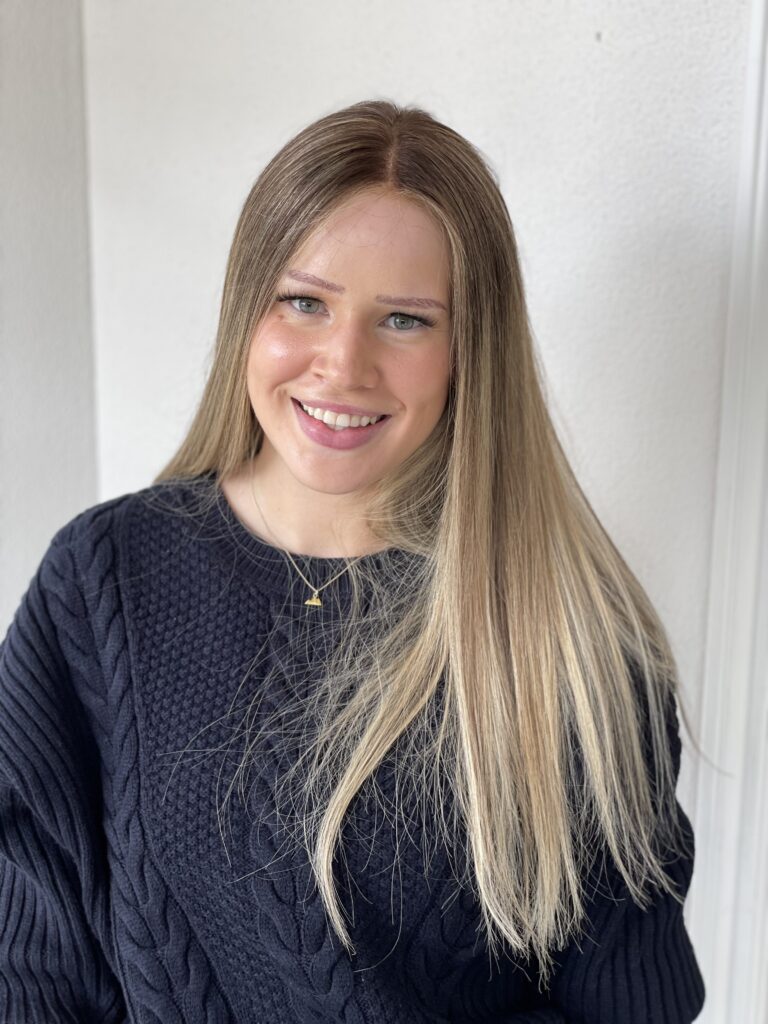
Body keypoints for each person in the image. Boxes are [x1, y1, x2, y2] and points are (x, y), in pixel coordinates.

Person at [0, 99, 706, 1023]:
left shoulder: (572, 638)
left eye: (405, 320)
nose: (344, 365)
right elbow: (32, 953)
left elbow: (622, 1003)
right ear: (248, 308)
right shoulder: (104, 579)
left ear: (468, 351)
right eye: (305, 302)